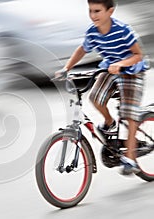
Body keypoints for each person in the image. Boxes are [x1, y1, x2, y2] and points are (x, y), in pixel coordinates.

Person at [55, 0, 150, 175]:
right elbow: (82, 50)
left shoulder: (123, 30)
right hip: (111, 69)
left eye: (97, 11)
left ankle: (131, 159)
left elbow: (138, 55)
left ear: (110, 11)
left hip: (132, 71)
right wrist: (66, 68)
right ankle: (110, 123)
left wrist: (121, 64)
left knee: (129, 113)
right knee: (95, 98)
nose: (93, 15)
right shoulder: (92, 32)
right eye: (90, 11)